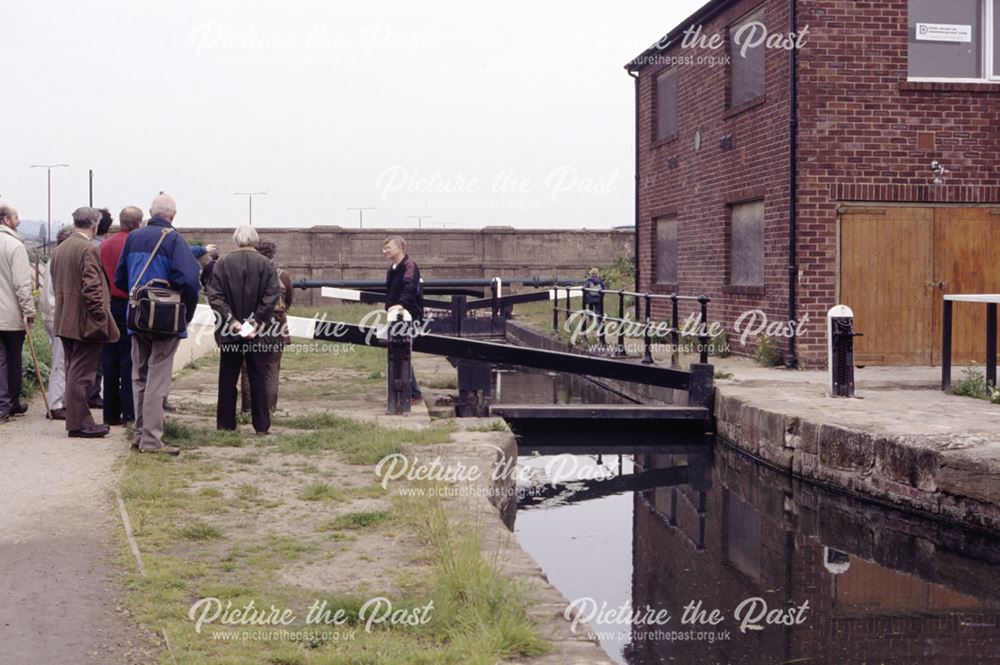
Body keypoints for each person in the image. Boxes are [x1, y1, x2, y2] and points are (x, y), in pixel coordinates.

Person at [114, 193, 201, 455]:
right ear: (173, 216)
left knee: (138, 375)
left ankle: (140, 434)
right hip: (165, 319)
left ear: (151, 213)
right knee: (157, 378)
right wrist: (185, 313)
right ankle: (152, 440)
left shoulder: (133, 237)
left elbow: (119, 279)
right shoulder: (174, 239)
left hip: (137, 315)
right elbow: (188, 280)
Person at [51, 207, 119, 438]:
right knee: (82, 374)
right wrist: (100, 315)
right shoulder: (88, 249)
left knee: (74, 371)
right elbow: (92, 287)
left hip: (64, 317)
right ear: (94, 226)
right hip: (84, 321)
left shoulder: (61, 248)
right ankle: (80, 423)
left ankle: (78, 420)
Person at [206, 225, 280, 434]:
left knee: (228, 377)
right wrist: (256, 322)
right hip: (260, 331)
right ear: (255, 240)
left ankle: (226, 423)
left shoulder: (223, 263)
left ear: (236, 240)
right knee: (258, 377)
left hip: (230, 331)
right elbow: (271, 296)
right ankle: (261, 424)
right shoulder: (266, 264)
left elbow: (215, 296)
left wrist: (232, 322)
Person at [99, 206, 143, 426]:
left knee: (109, 358)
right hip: (130, 302)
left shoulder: (104, 245)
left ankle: (109, 413)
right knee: (129, 359)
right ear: (139, 222)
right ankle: (129, 412)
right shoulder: (134, 244)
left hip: (110, 304)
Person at [0, 204, 36, 422]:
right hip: (11, 314)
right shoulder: (14, 245)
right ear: (5, 220)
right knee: (13, 360)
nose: (19, 220)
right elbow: (22, 283)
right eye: (16, 216)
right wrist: (29, 311)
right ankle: (11, 402)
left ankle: (3, 404)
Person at [382, 235, 423, 404]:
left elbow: (410, 287)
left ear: (400, 248)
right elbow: (391, 290)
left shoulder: (409, 266)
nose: (385, 251)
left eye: (388, 248)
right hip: (396, 317)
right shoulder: (392, 268)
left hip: (409, 316)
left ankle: (414, 394)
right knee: (399, 351)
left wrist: (400, 305)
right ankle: (410, 391)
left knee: (403, 352)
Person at [40, 226, 75, 420]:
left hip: (51, 314)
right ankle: (55, 403)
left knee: (61, 359)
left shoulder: (53, 260)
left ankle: (60, 399)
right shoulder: (61, 262)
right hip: (58, 315)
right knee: (60, 360)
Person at [254, 240, 293, 412]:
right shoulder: (282, 275)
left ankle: (248, 408)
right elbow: (289, 300)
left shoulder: (251, 273)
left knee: (249, 369)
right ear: (273, 254)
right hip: (277, 323)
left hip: (254, 321)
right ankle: (270, 409)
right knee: (272, 368)